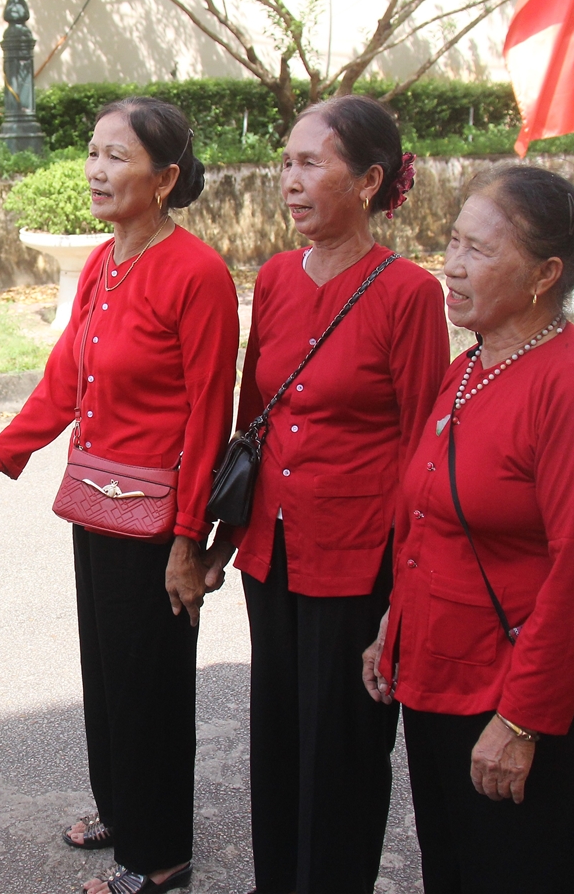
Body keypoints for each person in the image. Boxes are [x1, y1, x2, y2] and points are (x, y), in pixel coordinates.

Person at [0, 97, 238, 894]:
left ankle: (161, 850)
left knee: (152, 686)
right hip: (98, 505)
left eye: (117, 157)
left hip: (157, 522)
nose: (98, 171)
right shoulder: (106, 261)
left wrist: (188, 537)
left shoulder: (197, 274)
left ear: (165, 178)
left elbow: (211, 415)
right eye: (94, 153)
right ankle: (123, 807)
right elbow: (63, 380)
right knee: (107, 675)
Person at [362, 166, 574, 893]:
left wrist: (522, 723)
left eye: (478, 250)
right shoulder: (474, 365)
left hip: (522, 700)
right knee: (452, 869)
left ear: (547, 272)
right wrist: (396, 624)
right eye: (452, 241)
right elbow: (431, 519)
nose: (451, 265)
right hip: (443, 679)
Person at [205, 95, 450, 893]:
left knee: (341, 753)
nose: (291, 180)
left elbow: (422, 449)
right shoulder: (274, 277)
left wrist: (404, 598)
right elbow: (252, 415)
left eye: (312, 163)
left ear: (370, 180)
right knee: (277, 741)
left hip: (358, 564)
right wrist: (217, 537)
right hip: (270, 554)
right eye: (286, 162)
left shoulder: (408, 293)